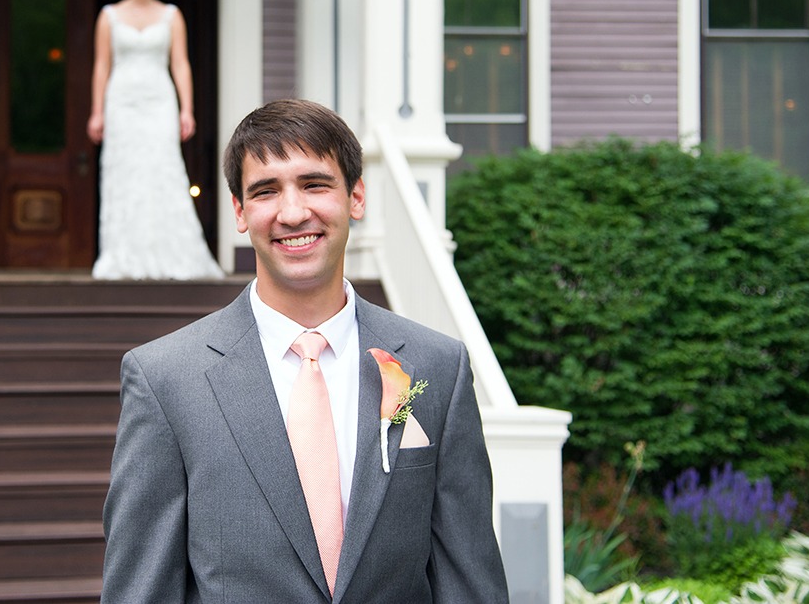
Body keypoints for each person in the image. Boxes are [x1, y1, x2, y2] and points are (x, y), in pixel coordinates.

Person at [101, 99, 508, 602]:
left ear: (356, 196)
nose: (293, 213)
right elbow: (141, 589)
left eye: (315, 184)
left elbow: (469, 580)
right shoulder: (165, 380)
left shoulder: (437, 367)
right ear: (240, 211)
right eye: (266, 191)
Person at [88, 0, 224, 280]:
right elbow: (101, 65)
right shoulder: (108, 16)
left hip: (160, 100)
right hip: (121, 101)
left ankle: (173, 256)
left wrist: (187, 109)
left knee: (163, 170)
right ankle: (122, 257)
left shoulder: (172, 15)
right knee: (125, 174)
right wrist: (97, 112)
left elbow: (180, 64)